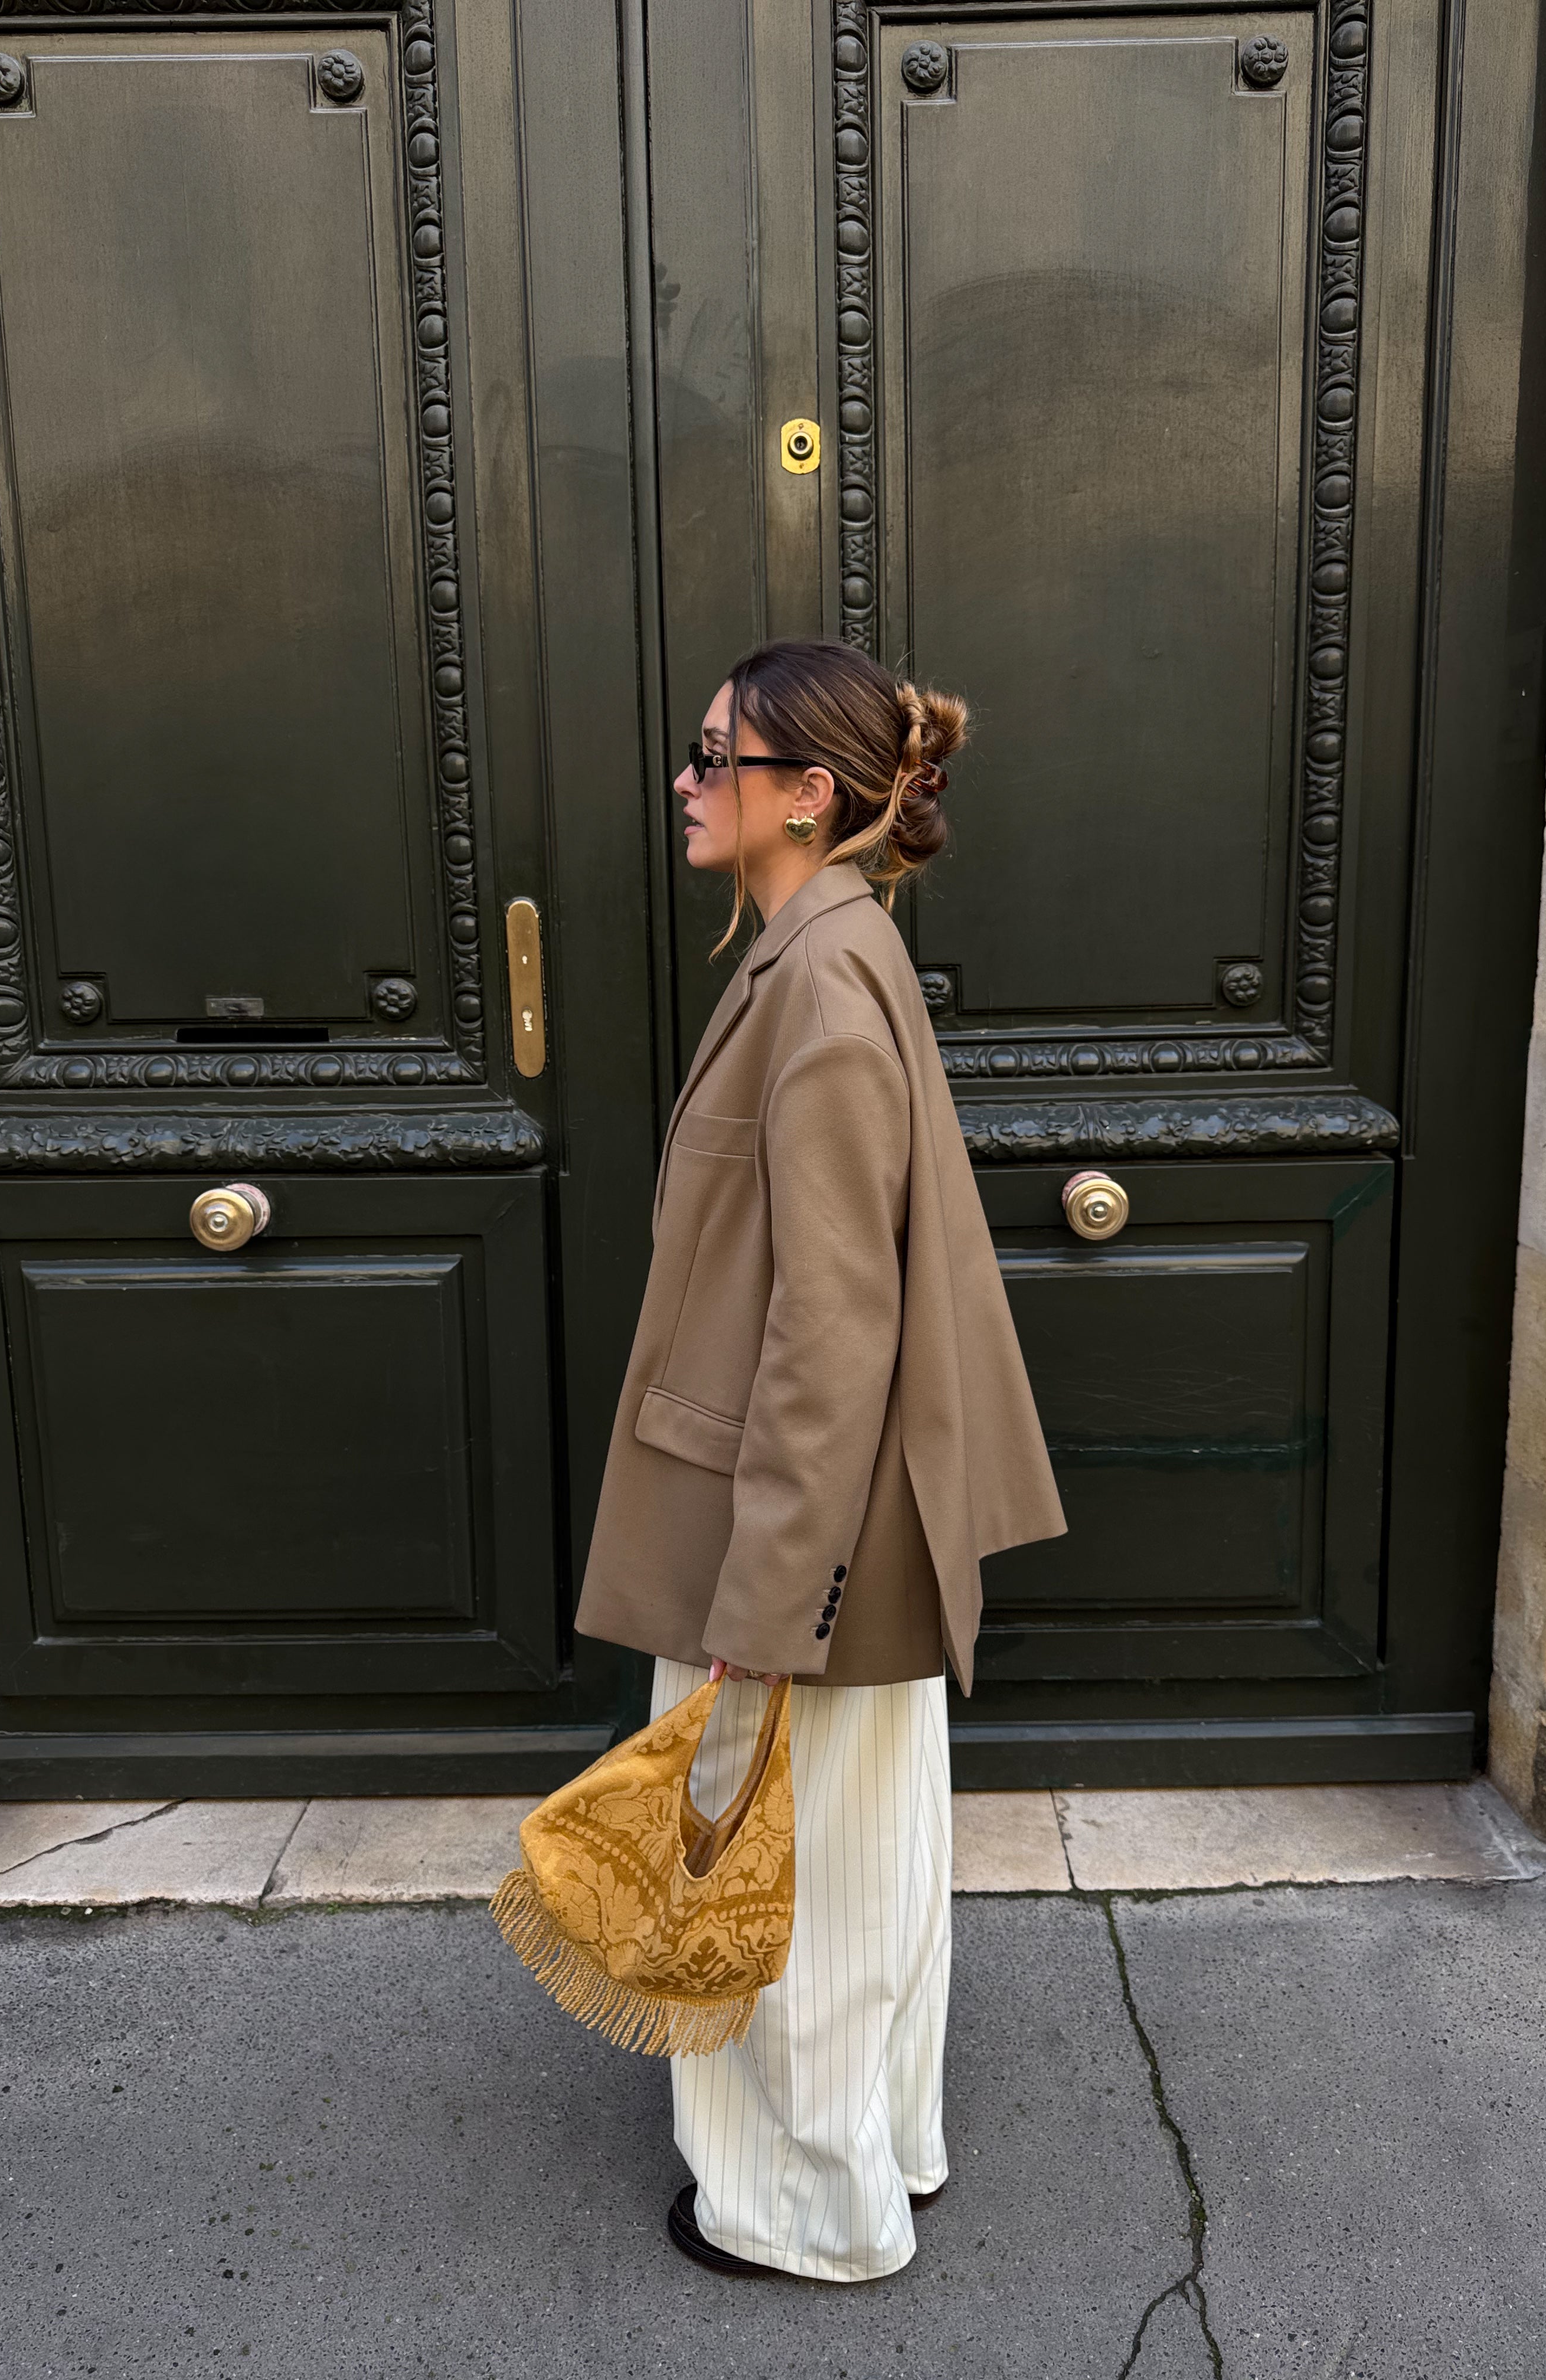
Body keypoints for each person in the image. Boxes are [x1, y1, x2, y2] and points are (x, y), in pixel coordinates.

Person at [574, 637, 1065, 2282]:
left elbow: (834, 1331)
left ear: (811, 794)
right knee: (860, 1871)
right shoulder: (826, 956)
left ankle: (802, 2211)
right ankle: (882, 2154)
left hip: (797, 1540)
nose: (688, 782)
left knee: (775, 1889)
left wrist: (765, 1600)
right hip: (845, 1528)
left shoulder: (824, 986)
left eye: (716, 759)